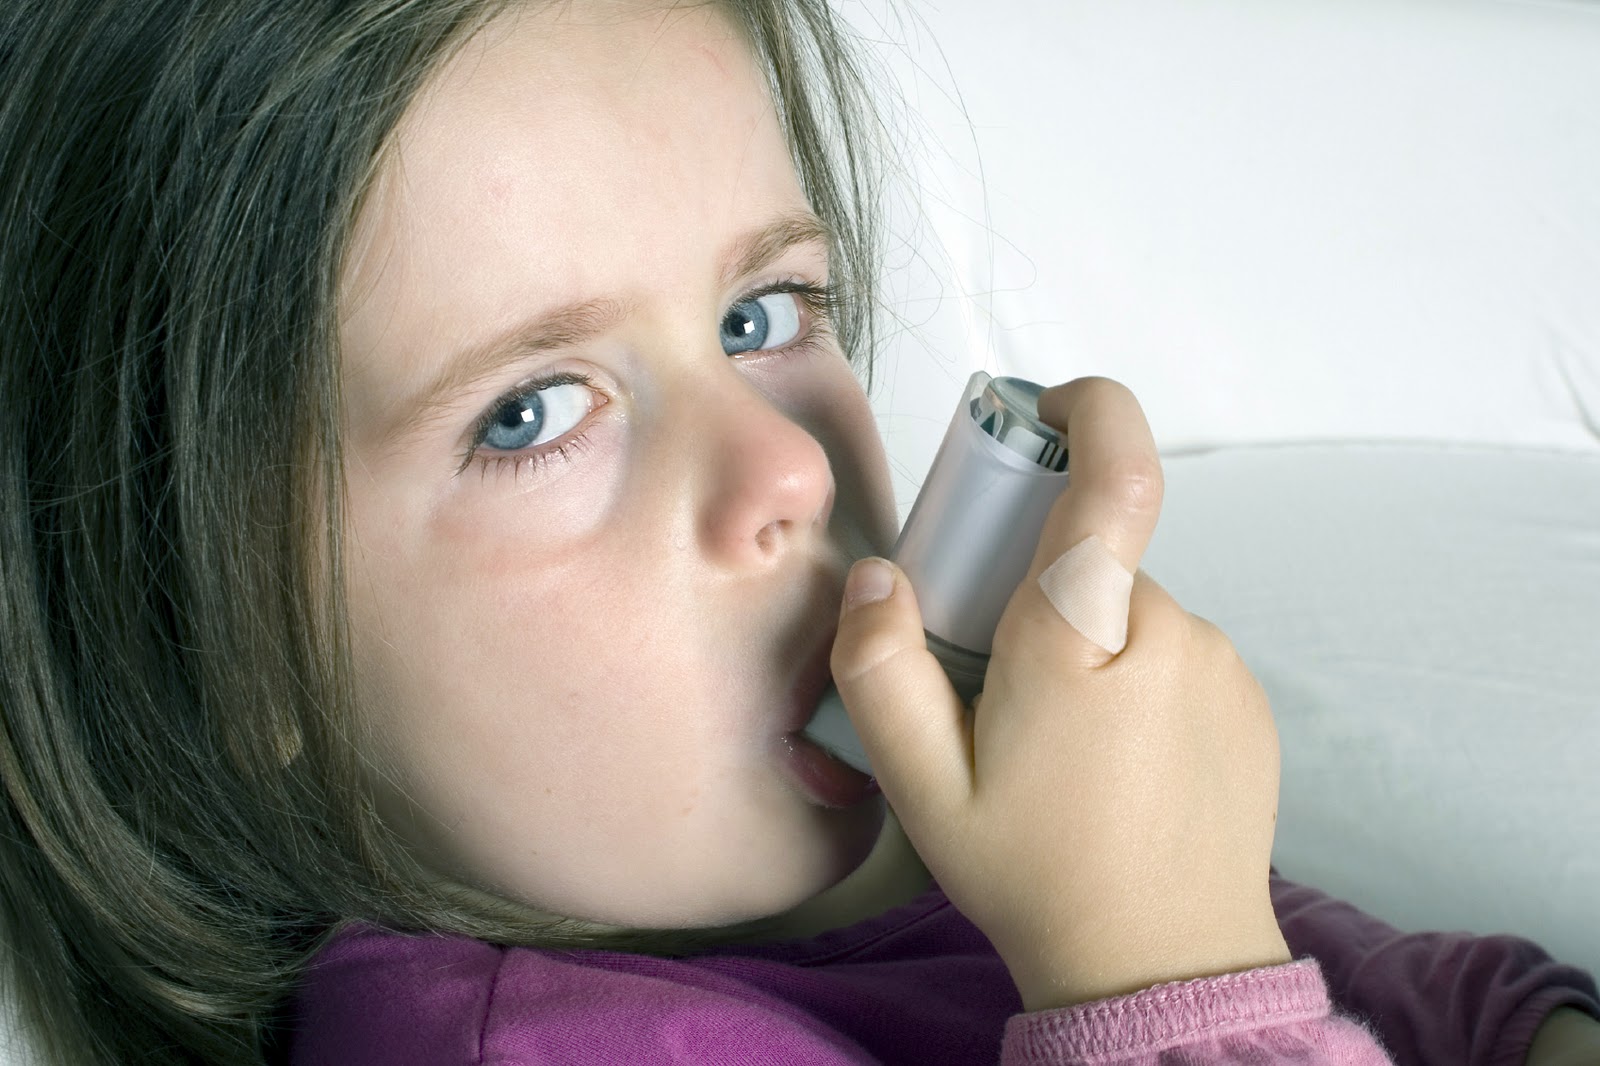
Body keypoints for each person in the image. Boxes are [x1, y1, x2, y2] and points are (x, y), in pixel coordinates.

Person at [1, 1, 1595, 1063]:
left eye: (763, 312)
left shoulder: (906, 849)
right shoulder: (542, 1044)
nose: (787, 463)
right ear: (221, 628)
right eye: (532, 412)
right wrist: (1156, 978)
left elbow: (1417, 997)